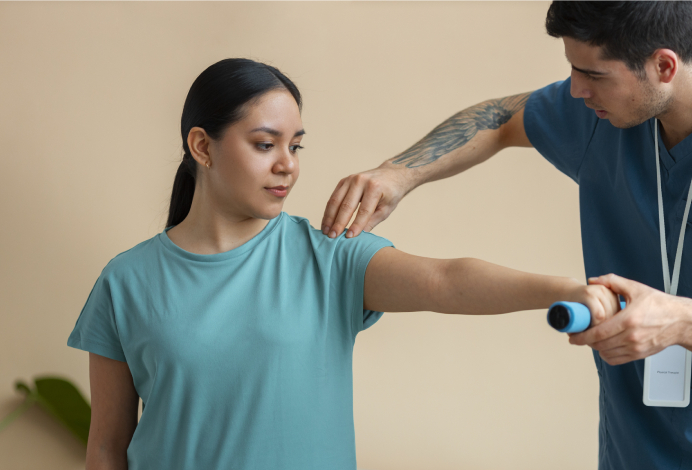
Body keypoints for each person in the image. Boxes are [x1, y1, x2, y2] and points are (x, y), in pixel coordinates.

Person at [320, 2, 692, 469]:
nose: (575, 91)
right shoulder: (610, 115)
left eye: (593, 75)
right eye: (574, 70)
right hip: (629, 449)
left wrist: (685, 323)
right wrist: (398, 173)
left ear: (664, 66)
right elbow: (500, 119)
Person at [67, 58, 618, 470]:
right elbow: (107, 444)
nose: (287, 165)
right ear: (203, 147)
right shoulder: (127, 280)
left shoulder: (327, 256)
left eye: (296, 146)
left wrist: (559, 289)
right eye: (265, 144)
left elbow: (443, 281)